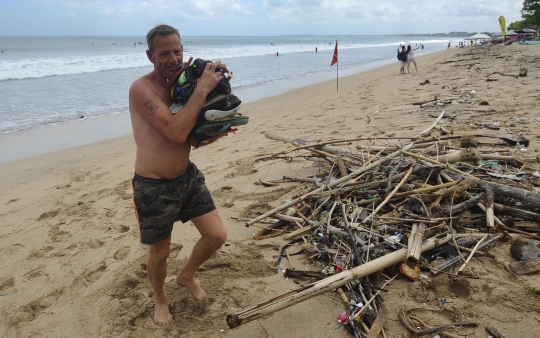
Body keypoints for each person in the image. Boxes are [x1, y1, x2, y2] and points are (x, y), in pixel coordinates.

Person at [129, 24, 228, 327]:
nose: (173, 59)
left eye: (177, 51)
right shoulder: (141, 89)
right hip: (153, 186)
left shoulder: (183, 84)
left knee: (216, 236)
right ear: (150, 55)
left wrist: (217, 128)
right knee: (160, 253)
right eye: (164, 53)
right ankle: (160, 298)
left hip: (187, 178)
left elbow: (190, 136)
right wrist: (202, 89)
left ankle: (186, 276)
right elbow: (174, 131)